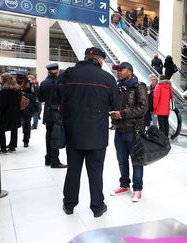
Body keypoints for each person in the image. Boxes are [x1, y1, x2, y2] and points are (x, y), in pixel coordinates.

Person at [60, 47, 120, 217]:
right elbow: (116, 104)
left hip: (73, 132)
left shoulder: (69, 74)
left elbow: (57, 96)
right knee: (95, 171)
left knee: (73, 170)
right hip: (97, 134)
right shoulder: (107, 78)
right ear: (100, 60)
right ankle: (97, 207)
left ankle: (69, 205)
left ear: (85, 57)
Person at [110, 62, 148, 202]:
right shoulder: (117, 88)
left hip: (134, 131)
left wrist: (123, 114)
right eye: (117, 70)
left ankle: (138, 188)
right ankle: (124, 184)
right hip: (119, 130)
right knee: (121, 160)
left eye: (121, 70)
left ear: (130, 71)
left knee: (136, 161)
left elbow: (143, 108)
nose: (118, 72)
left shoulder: (139, 87)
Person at [38, 63, 67, 168]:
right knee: (56, 136)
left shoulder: (44, 83)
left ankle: (48, 159)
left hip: (48, 112)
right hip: (57, 112)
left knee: (49, 135)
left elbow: (40, 99)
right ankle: (55, 161)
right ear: (57, 70)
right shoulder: (60, 83)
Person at [0, 73, 21, 154]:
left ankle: (3, 148)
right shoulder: (18, 89)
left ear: (5, 80)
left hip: (5, 114)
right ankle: (12, 147)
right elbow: (19, 102)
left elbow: (2, 104)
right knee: (14, 129)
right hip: (15, 112)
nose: (1, 80)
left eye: (2, 79)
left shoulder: (4, 90)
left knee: (1, 130)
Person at [17, 70, 36, 148]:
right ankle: (13, 143)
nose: (19, 79)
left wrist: (25, 94)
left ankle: (26, 141)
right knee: (17, 125)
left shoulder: (30, 84)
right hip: (17, 108)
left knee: (26, 125)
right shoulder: (14, 83)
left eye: (21, 78)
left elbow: (34, 97)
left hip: (27, 108)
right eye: (18, 77)